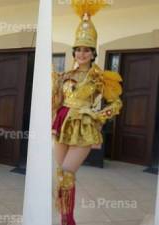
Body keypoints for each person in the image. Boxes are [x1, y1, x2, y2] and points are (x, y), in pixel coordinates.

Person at [52, 2, 123, 225]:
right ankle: (64, 217)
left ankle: (68, 220)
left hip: (84, 126)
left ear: (93, 53)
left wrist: (97, 116)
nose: (82, 53)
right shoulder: (64, 76)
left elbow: (116, 103)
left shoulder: (101, 78)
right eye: (79, 49)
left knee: (67, 172)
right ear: (74, 52)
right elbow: (57, 103)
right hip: (62, 125)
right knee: (61, 174)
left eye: (87, 49)